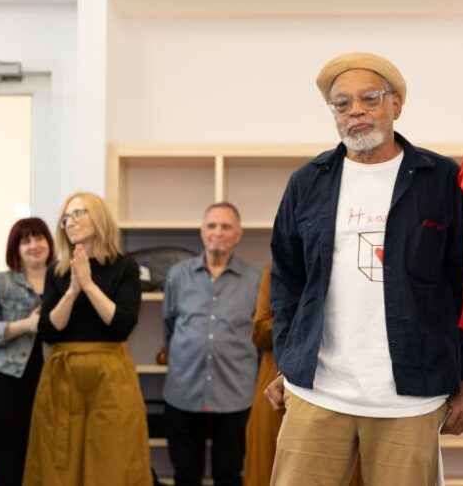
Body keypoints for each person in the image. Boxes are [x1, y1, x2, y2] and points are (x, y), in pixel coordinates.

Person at [267, 52, 463, 485]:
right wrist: (290, 359)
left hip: (409, 398)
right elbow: (287, 280)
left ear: (395, 105)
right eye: (342, 105)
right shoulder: (306, 182)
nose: (356, 112)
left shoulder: (441, 179)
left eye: (368, 98)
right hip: (318, 392)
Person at [23, 192, 151, 486]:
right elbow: (49, 331)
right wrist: (72, 290)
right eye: (66, 217)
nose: (71, 221)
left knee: (113, 456)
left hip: (110, 372)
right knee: (60, 458)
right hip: (62, 372)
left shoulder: (125, 266)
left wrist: (89, 284)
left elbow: (121, 325)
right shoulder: (58, 269)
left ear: (99, 216)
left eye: (79, 212)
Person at [162, 202, 261, 486]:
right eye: (211, 225)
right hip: (183, 392)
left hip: (235, 396)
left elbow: (258, 338)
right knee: (185, 476)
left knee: (229, 476)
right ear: (202, 232)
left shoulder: (255, 280)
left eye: (226, 226)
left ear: (238, 234)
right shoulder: (177, 276)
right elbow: (168, 326)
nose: (218, 232)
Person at [243, 264, 364, 486]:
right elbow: (260, 331)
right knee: (270, 467)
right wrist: (311, 323)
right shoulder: (276, 269)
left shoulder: (349, 266)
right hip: (278, 384)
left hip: (343, 387)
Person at [0, 217, 54, 486]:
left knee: (49, 465)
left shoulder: (63, 280)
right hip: (5, 386)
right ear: (16, 249)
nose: (34, 245)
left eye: (39, 238)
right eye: (25, 240)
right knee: (7, 465)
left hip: (52, 384)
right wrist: (26, 325)